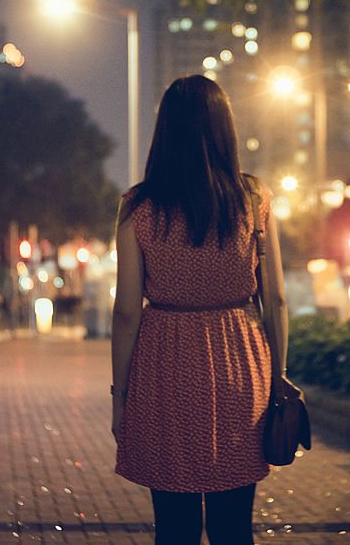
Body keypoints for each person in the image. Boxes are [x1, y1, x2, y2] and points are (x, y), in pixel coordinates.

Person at [112, 75, 290, 545]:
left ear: (164, 131)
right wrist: (278, 381)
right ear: (224, 129)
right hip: (241, 366)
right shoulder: (253, 199)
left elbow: (127, 311)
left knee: (174, 527)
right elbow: (276, 300)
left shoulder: (139, 206)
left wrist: (120, 397)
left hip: (163, 370)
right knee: (235, 527)